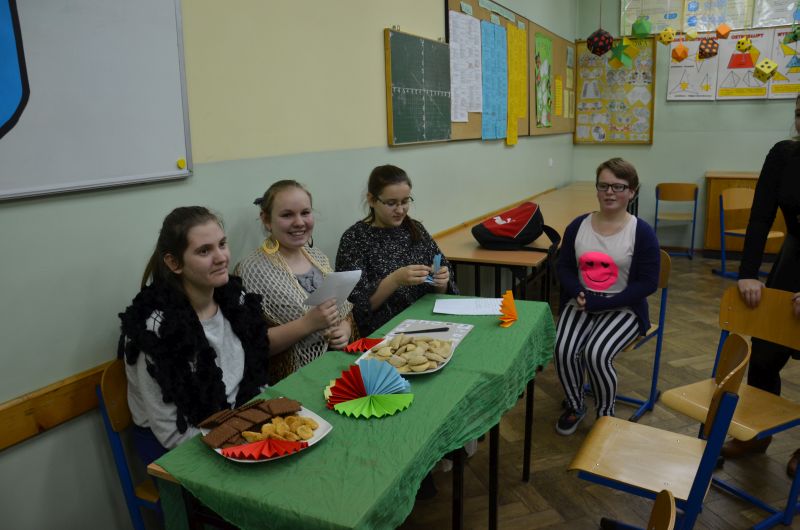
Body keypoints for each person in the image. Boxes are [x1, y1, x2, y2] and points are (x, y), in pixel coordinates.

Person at [118, 207, 270, 463]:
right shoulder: (155, 331)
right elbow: (170, 434)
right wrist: (239, 442)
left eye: (222, 244)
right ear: (173, 263)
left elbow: (257, 374)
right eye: (204, 251)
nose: (221, 257)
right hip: (180, 446)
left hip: (236, 423)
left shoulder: (236, 300)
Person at [722, 95, 800, 475]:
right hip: (792, 262)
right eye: (799, 114)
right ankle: (758, 433)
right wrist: (748, 273)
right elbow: (760, 218)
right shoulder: (783, 155)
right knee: (765, 356)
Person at [554, 158, 660, 435]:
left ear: (632, 192)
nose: (610, 192)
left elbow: (649, 283)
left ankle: (605, 414)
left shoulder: (641, 232)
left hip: (624, 306)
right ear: (597, 189)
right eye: (603, 186)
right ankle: (576, 405)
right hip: (581, 302)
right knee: (563, 350)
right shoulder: (578, 226)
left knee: (596, 354)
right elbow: (564, 267)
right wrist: (578, 292)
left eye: (618, 186)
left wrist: (605, 302)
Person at [236, 180, 354, 383]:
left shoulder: (317, 257)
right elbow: (253, 343)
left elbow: (342, 310)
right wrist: (307, 324)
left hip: (337, 367)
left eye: (305, 213)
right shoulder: (251, 269)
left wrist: (345, 328)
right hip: (293, 380)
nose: (299, 222)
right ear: (266, 219)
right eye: (287, 215)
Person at [336, 164, 457, 336]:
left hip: (427, 322)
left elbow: (443, 288)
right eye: (391, 203)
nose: (400, 210)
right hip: (384, 333)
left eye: (405, 201)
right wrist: (394, 280)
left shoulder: (415, 228)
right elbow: (355, 310)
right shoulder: (355, 239)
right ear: (372, 200)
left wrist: (442, 281)